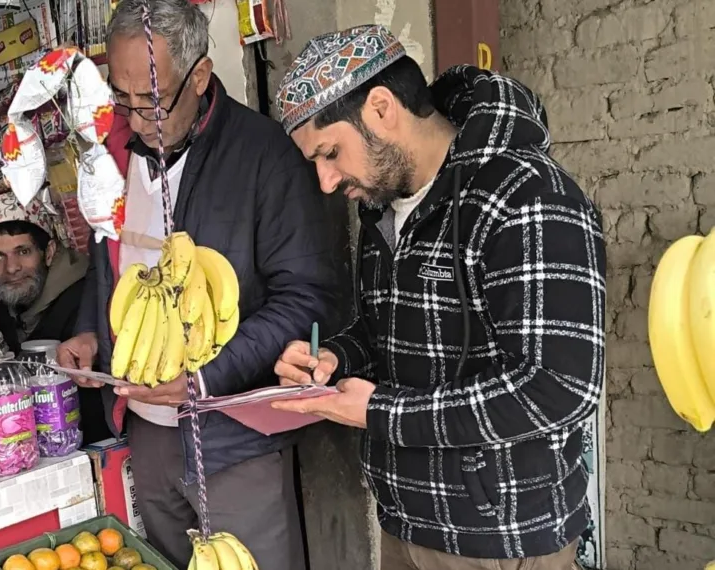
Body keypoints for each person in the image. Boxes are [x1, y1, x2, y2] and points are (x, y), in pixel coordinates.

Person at [271, 25, 606, 570]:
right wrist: (335, 357)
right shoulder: (382, 204)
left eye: (330, 153)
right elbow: (388, 330)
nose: (326, 182)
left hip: (501, 540)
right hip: (405, 518)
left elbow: (558, 388)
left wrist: (381, 411)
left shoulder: (525, 197)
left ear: (381, 109)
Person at [55, 0, 338, 565]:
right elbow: (109, 263)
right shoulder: (114, 153)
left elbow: (307, 298)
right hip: (146, 431)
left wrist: (204, 379)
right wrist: (90, 332)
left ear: (200, 76)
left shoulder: (265, 158)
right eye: (122, 98)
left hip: (234, 437)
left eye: (152, 101)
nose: (135, 119)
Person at [0, 192, 111, 445]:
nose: (11, 267)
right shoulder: (5, 314)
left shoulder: (87, 301)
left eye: (23, 251)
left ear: (49, 252)